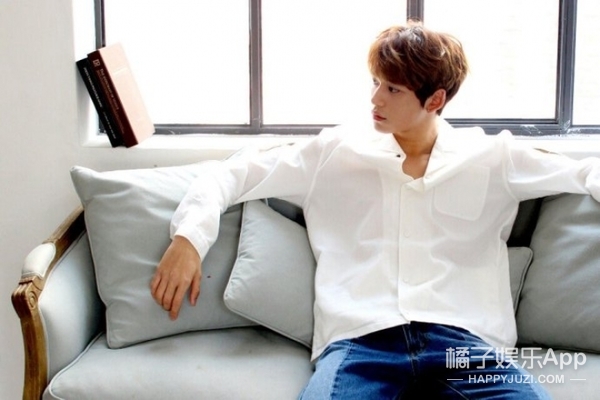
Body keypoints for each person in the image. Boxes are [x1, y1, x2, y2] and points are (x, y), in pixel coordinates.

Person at [150, 21, 600, 399]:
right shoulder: (334, 153)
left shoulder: (493, 158)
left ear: (435, 100)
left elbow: (586, 173)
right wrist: (189, 238)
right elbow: (232, 173)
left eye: (392, 89)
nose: (375, 99)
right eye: (375, 82)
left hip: (466, 347)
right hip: (360, 344)